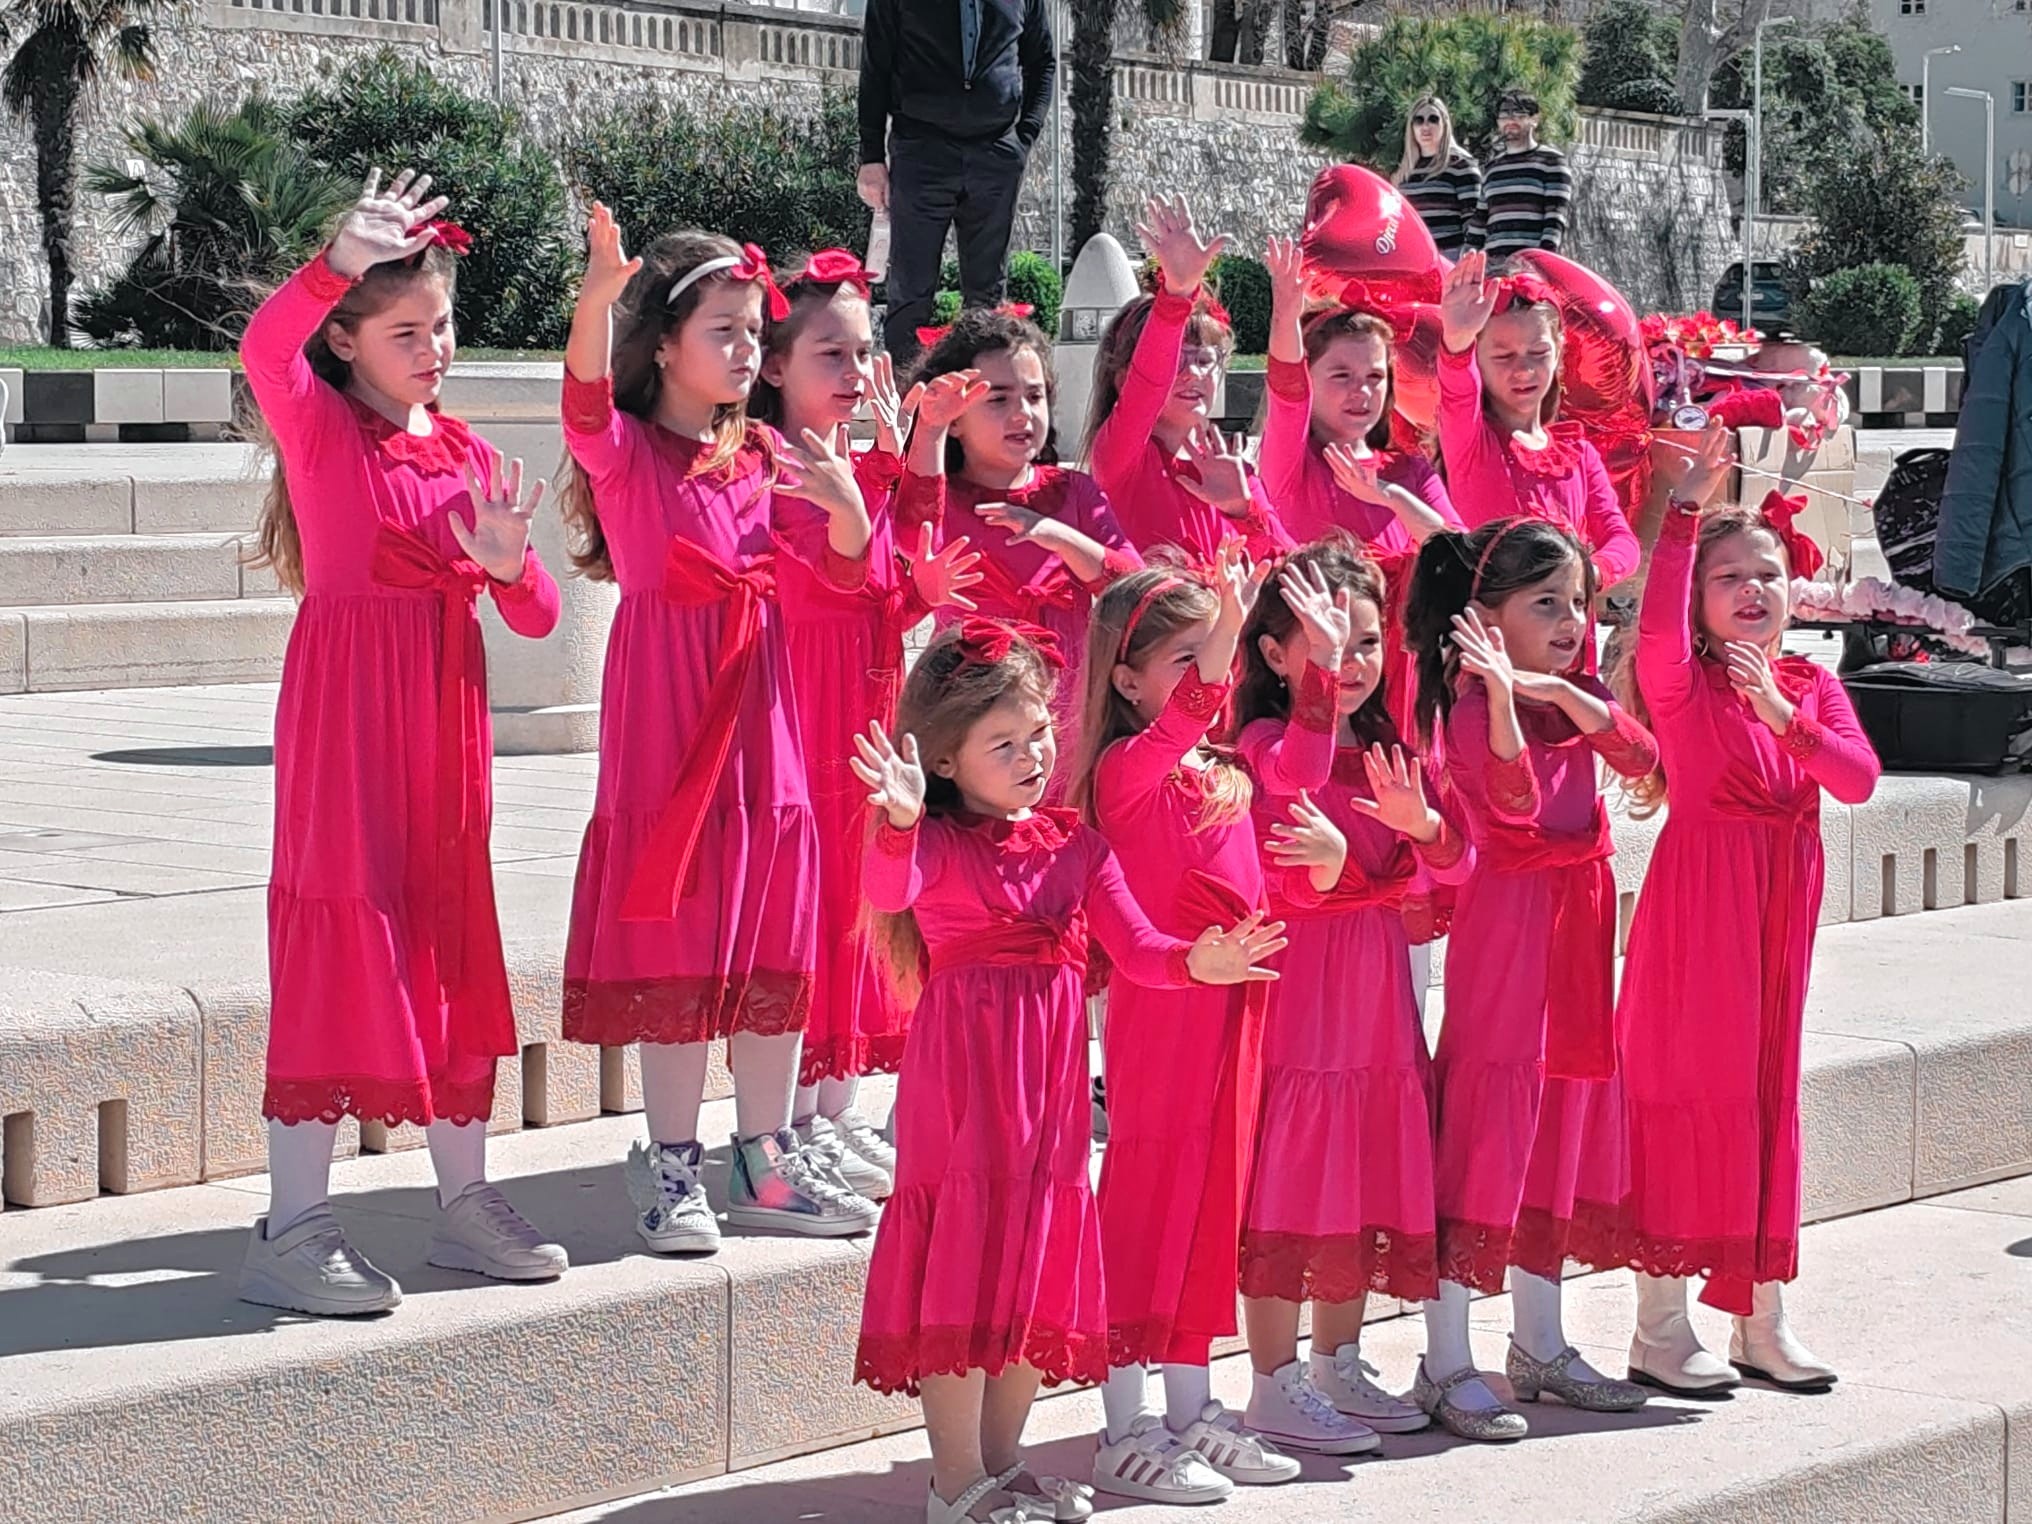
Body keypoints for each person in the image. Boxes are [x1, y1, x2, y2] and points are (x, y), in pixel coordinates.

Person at [850, 620, 1285, 1524]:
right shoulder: (937, 844)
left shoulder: (1074, 846)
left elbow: (1139, 947)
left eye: (1039, 732)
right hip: (965, 1087)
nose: (1032, 754)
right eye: (1002, 745)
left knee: (1027, 1262)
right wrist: (896, 821)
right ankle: (953, 1482)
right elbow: (890, 893)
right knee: (965, 1262)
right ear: (944, 761)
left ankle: (1002, 1467)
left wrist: (1195, 964)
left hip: (1046, 1091)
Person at [238, 169, 567, 1316]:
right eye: (405, 331)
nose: (434, 348)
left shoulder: (470, 453)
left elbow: (535, 615)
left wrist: (508, 566)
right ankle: (292, 1224)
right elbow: (259, 353)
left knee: (447, 934)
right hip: (347, 718)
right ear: (348, 340)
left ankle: (465, 1202)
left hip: (445, 723)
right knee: (342, 931)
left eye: (443, 326)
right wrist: (333, 257)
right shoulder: (323, 427)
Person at [557, 205, 882, 1253]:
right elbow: (578, 406)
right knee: (679, 933)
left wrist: (846, 516)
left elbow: (841, 580)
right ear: (664, 349)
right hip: (669, 712)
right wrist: (599, 295)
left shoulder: (766, 458)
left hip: (764, 711)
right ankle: (668, 1162)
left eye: (754, 333)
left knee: (773, 925)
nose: (747, 353)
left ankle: (765, 1162)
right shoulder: (629, 454)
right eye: (725, 334)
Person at [1611, 426, 1881, 1397]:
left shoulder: (1808, 685)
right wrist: (1682, 513)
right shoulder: (1680, 687)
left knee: (1764, 1102)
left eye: (1765, 573)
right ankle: (1656, 1323)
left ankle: (1759, 1322)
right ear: (1700, 595)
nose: (1752, 590)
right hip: (1699, 920)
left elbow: (1854, 780)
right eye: (1729, 577)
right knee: (1685, 1097)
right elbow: (1648, 630)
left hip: (1776, 918)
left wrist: (1784, 716)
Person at [1401, 518, 1656, 1440]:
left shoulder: (1571, 691)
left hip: (1579, 930)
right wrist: (1510, 694)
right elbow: (1509, 801)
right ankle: (1445, 1359)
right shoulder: (1472, 709)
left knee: (1557, 1124)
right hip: (1511, 931)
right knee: (1489, 1126)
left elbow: (1640, 756)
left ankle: (1540, 1343)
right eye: (1546, 603)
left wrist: (1552, 685)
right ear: (1485, 618)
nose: (1573, 620)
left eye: (1580, 602)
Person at [1077, 554, 1317, 1505]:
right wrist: (1228, 619)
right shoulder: (1125, 770)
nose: (1206, 675)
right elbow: (1188, 716)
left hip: (1236, 1000)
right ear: (1127, 681)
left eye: (1211, 652)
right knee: (1152, 1192)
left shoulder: (1217, 769)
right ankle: (1124, 1420)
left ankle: (1189, 1404)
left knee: (1213, 1195)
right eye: (1186, 657)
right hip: (1165, 999)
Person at [749, 250, 985, 1200]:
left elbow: (903, 546)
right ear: (773, 367)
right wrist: (881, 561)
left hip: (869, 693)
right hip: (807, 697)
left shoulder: (852, 456)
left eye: (859, 352)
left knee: (864, 903)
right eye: (828, 355)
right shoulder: (767, 461)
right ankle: (792, 1120)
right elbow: (833, 572)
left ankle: (830, 1112)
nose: (852, 373)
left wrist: (921, 442)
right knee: (815, 910)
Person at [1235, 538, 1468, 1451]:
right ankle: (1272, 1377)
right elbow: (1292, 800)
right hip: (1305, 997)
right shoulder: (1265, 742)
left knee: (1365, 1162)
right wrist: (1342, 873)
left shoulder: (1383, 746)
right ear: (1273, 655)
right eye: (1327, 642)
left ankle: (1338, 1360)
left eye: (1365, 642)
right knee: (1299, 1175)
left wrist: (1430, 830)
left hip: (1376, 998)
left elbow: (1450, 876)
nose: (1352, 662)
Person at [897, 308, 1141, 770]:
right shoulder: (943, 496)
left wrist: (1060, 537)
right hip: (973, 720)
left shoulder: (1074, 492)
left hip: (1068, 718)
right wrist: (928, 430)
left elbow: (1135, 589)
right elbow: (912, 532)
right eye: (998, 399)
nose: (1022, 414)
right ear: (958, 420)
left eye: (1034, 396)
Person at [1087, 195, 1294, 568]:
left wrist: (1242, 509)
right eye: (1177, 360)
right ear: (1122, 379)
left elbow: (1288, 568)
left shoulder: (1236, 469)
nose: (1194, 373)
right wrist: (1176, 295)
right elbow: (1147, 387)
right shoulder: (1122, 460)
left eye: (1204, 360)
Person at [1436, 250, 1639, 629]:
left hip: (1567, 642)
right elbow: (1456, 393)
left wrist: (1586, 575)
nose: (1524, 369)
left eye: (1538, 353)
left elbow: (1622, 540)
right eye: (1503, 356)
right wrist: (1457, 342)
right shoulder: (1471, 441)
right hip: (1493, 642)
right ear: (1478, 358)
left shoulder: (1579, 454)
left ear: (1559, 352)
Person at [856, 0, 1057, 374]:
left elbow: (1042, 60)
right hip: (921, 151)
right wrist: (870, 155)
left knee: (986, 298)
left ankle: (981, 406)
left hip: (995, 154)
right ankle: (906, 409)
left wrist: (1023, 137)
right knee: (910, 293)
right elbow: (876, 63)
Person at [1471, 89, 1572, 259]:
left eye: (1518, 114)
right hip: (1493, 267)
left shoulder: (1552, 161)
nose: (1510, 120)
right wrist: (1468, 258)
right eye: (1504, 115)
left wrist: (1542, 262)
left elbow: (1555, 219)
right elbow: (1479, 223)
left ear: (1535, 120)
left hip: (1532, 267)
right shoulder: (1492, 168)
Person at [1393, 96, 1482, 263]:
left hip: (1451, 258)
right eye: (1418, 121)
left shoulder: (1461, 164)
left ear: (1445, 123)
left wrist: (1467, 262)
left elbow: (1474, 220)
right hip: (1416, 260)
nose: (1425, 127)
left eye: (1433, 119)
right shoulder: (1405, 172)